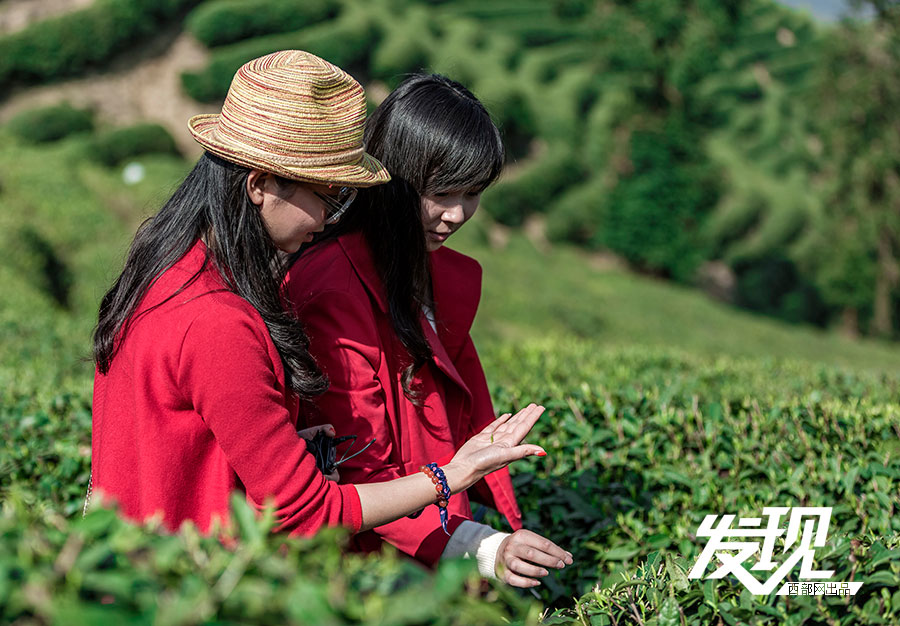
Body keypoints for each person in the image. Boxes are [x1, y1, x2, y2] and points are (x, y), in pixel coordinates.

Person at [89, 51, 550, 540]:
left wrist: (290, 447)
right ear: (261, 185)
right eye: (325, 197)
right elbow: (304, 512)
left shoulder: (168, 272)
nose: (330, 219)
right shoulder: (217, 321)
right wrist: (452, 476)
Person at [285, 74, 572, 587]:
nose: (457, 213)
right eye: (441, 193)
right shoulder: (333, 288)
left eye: (472, 193)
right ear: (391, 178)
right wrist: (479, 547)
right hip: (373, 560)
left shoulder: (432, 272)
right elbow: (357, 468)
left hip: (438, 526)